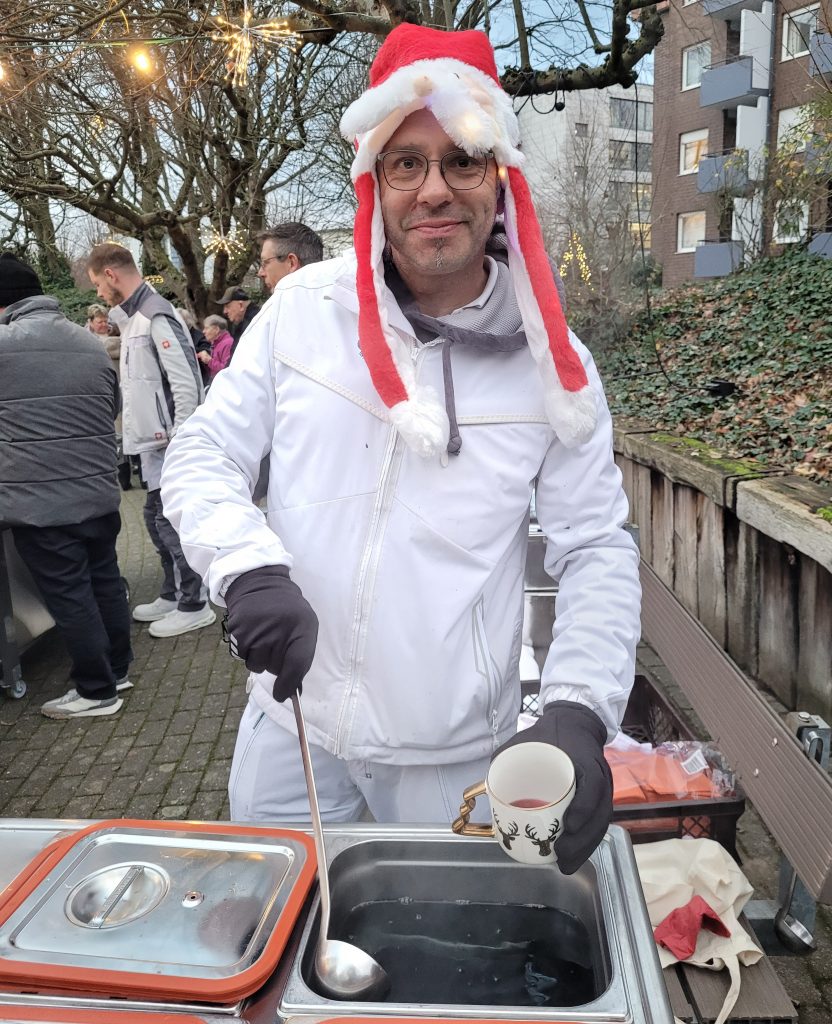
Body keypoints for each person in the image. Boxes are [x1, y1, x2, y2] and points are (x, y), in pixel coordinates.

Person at [161, 25, 641, 876]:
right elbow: (203, 452)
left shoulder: (555, 364)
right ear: (373, 181)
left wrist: (578, 708)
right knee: (278, 942)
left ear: (500, 177)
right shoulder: (306, 308)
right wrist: (244, 566)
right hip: (291, 729)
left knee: (432, 963)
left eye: (462, 159)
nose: (433, 190)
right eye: (405, 164)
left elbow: (597, 546)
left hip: (450, 759)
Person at [0, 253, 133, 718]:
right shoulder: (91, 343)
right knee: (105, 583)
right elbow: (110, 404)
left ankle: (97, 691)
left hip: (40, 503)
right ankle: (117, 669)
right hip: (97, 494)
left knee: (72, 596)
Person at [87, 243, 216, 638]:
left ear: (111, 275)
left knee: (167, 521)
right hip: (153, 441)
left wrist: (182, 436)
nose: (97, 294)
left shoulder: (154, 314)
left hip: (167, 442)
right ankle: (174, 591)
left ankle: (193, 602)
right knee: (154, 517)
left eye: (96, 284)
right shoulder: (135, 318)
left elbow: (185, 380)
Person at [256, 222, 324, 294]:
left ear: (291, 263)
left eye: (265, 263)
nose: (260, 273)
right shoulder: (332, 300)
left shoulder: (280, 304)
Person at [217, 287, 260, 359]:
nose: (225, 311)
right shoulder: (247, 321)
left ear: (241, 305)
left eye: (227, 306)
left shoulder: (253, 324)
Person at [198, 314, 234, 381]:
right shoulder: (216, 343)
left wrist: (209, 361)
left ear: (216, 329)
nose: (203, 331)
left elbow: (227, 370)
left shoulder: (228, 343)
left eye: (206, 328)